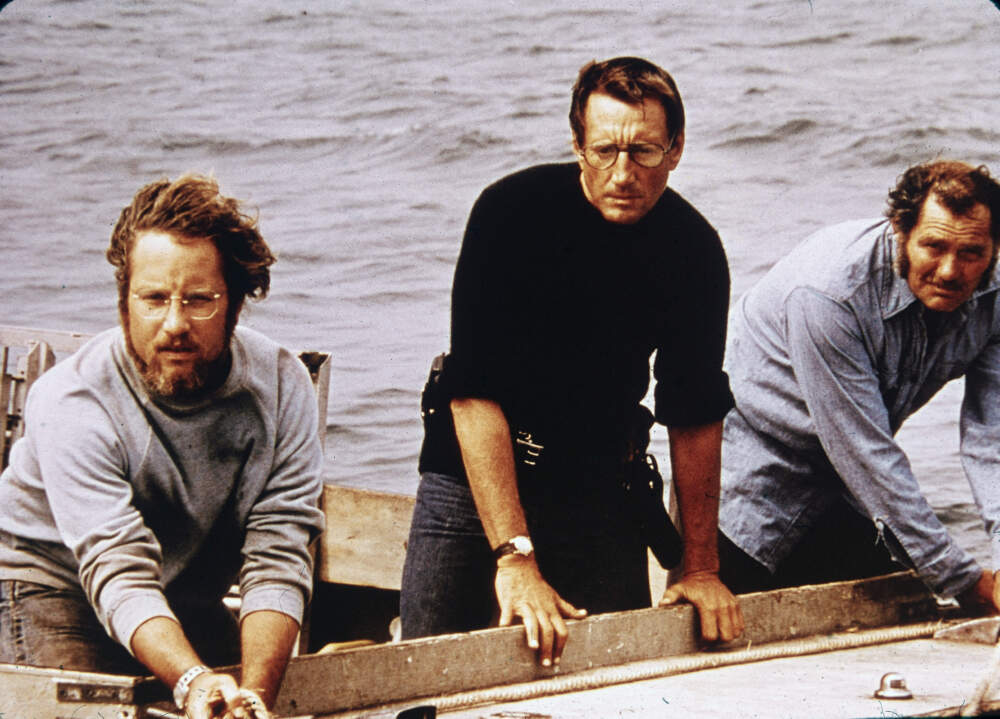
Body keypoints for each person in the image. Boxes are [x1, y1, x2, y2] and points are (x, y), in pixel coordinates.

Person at [401, 56, 744, 667]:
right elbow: (472, 393)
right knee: (428, 679)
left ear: (676, 149)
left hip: (597, 487)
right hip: (472, 475)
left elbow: (693, 412)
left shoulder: (692, 248)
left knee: (616, 687)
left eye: (644, 151)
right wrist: (515, 558)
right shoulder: (510, 214)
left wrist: (700, 566)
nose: (623, 173)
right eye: (605, 149)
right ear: (577, 144)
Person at [0, 175, 325, 719]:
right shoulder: (73, 399)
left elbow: (278, 553)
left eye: (199, 300)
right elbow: (117, 566)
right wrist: (193, 679)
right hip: (50, 586)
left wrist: (255, 700)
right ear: (124, 301)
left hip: (182, 592)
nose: (174, 324)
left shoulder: (282, 384)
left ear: (236, 304)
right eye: (153, 299)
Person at [718, 160, 1000, 612]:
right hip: (751, 482)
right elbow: (866, 451)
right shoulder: (829, 294)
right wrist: (964, 580)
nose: (951, 271)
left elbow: (994, 439)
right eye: (934, 246)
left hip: (850, 490)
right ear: (900, 231)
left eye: (971, 253)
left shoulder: (995, 293)